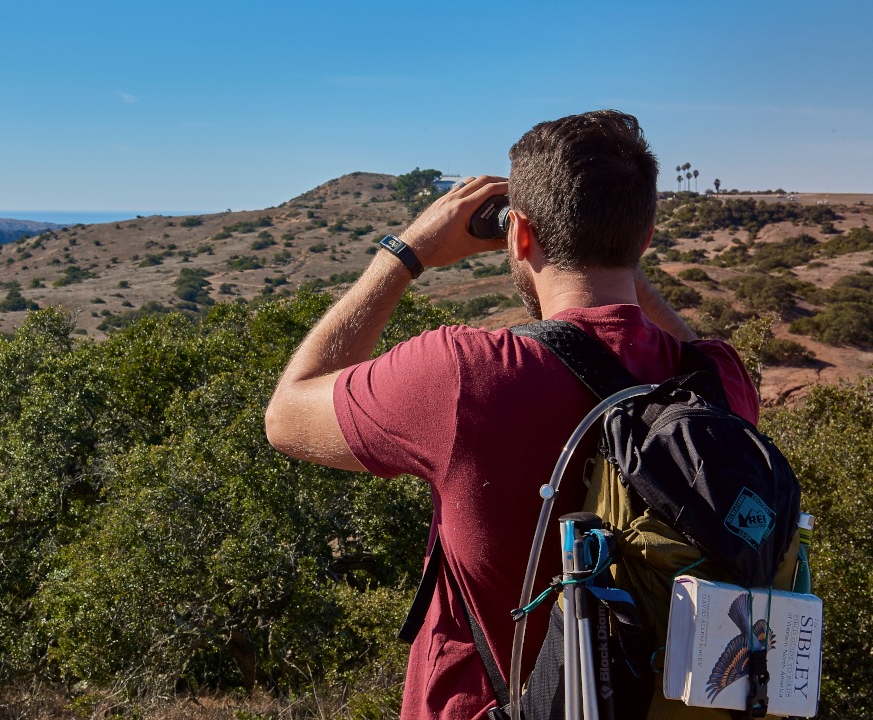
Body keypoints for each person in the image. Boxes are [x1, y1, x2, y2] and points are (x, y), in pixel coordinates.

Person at [263, 110, 759, 720]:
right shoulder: (722, 382)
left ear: (519, 234)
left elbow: (286, 415)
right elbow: (668, 333)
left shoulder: (465, 374)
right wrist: (619, 253)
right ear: (647, 236)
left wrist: (405, 252)